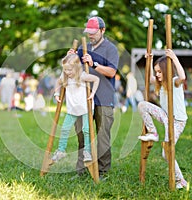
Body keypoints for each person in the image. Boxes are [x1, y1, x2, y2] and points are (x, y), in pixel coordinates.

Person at [68, 16, 119, 177]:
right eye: (88, 32)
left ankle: (102, 171)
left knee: (102, 136)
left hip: (104, 98)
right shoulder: (84, 47)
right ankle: (81, 171)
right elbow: (72, 68)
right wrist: (71, 57)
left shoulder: (111, 49)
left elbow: (112, 72)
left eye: (94, 32)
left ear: (103, 31)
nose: (90, 35)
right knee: (82, 135)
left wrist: (94, 64)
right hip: (83, 99)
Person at [138, 49, 188, 189]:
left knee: (166, 153)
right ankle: (153, 132)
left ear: (166, 71)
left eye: (160, 72)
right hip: (166, 117)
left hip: (177, 121)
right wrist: (149, 61)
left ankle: (180, 180)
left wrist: (173, 57)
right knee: (142, 105)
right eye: (156, 72)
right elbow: (149, 77)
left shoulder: (174, 82)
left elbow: (183, 77)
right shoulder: (159, 83)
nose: (157, 75)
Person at [51, 54, 99, 163]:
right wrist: (56, 94)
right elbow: (57, 82)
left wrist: (93, 93)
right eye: (65, 70)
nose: (67, 72)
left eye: (69, 70)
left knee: (86, 130)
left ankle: (87, 151)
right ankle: (61, 151)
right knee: (64, 128)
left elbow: (96, 79)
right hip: (72, 109)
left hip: (86, 108)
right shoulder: (65, 77)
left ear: (77, 67)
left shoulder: (82, 76)